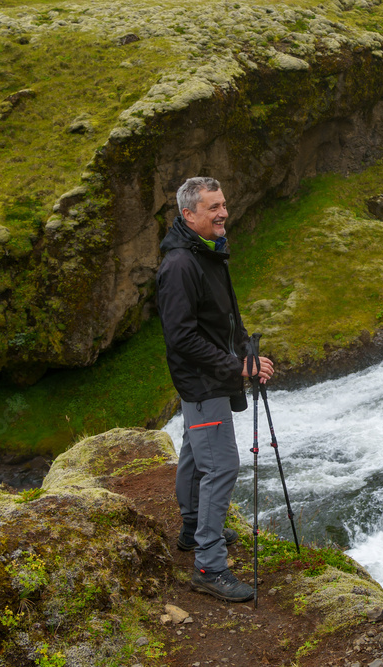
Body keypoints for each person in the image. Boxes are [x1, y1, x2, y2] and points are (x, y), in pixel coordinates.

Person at [156, 176, 273, 602]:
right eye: (213, 207)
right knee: (221, 465)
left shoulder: (206, 251)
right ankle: (208, 564)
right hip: (202, 382)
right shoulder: (180, 265)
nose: (223, 213)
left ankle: (191, 529)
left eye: (223, 203)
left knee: (194, 448)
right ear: (189, 215)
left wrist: (246, 350)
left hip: (209, 378)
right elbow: (181, 337)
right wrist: (237, 365)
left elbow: (223, 318)